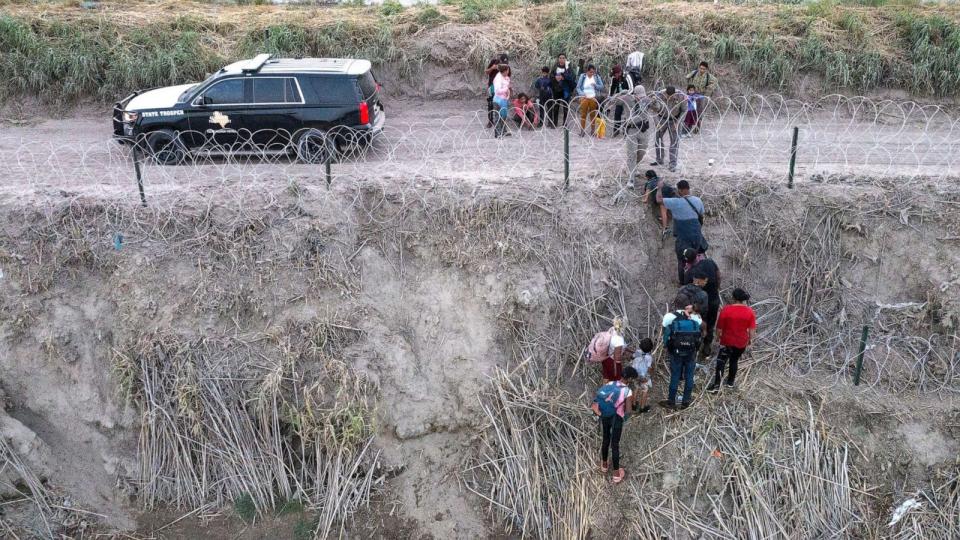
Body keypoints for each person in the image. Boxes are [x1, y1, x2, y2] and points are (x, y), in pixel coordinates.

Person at [592, 366, 638, 484]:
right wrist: (624, 419)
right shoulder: (628, 391)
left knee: (605, 439)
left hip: (605, 415)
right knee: (615, 444)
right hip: (616, 418)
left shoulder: (611, 383)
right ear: (630, 379)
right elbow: (628, 411)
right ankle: (616, 474)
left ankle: (604, 465)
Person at [657, 179, 707, 283]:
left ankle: (683, 283)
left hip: (683, 238)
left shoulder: (675, 202)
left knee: (682, 261)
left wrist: (659, 188)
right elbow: (701, 215)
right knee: (695, 258)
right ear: (689, 189)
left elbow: (659, 200)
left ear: (679, 190)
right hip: (696, 236)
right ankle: (697, 282)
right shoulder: (698, 200)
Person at [710, 288, 757, 392]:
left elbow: (719, 327)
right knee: (734, 361)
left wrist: (717, 337)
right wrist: (750, 340)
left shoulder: (726, 309)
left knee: (721, 362)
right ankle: (730, 383)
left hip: (727, 341)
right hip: (741, 342)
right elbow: (752, 330)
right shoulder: (750, 311)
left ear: (733, 298)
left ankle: (717, 385)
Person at [658, 302, 702, 410]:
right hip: (691, 353)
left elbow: (665, 335)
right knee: (689, 376)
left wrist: (668, 347)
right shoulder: (696, 319)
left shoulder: (670, 317)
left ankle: (671, 401)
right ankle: (685, 402)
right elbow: (699, 337)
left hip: (676, 353)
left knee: (675, 376)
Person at [683, 250, 721, 356]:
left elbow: (687, 291)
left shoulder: (689, 274)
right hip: (713, 300)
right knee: (710, 323)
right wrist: (716, 288)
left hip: (698, 305)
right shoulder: (709, 262)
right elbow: (718, 275)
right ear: (697, 256)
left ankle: (696, 344)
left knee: (699, 322)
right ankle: (707, 345)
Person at [649, 86, 686, 171]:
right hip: (662, 119)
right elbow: (654, 110)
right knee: (658, 139)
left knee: (674, 142)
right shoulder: (659, 95)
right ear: (665, 92)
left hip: (675, 120)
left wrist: (678, 122)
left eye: (671, 96)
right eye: (667, 96)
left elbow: (684, 110)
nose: (669, 98)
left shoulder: (681, 96)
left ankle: (673, 163)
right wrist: (657, 122)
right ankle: (659, 159)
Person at [623, 86, 651, 188]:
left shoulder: (647, 101)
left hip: (643, 130)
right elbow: (613, 101)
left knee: (642, 152)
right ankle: (631, 178)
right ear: (634, 95)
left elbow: (658, 109)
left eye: (642, 96)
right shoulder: (628, 100)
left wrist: (656, 101)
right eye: (639, 96)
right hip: (632, 130)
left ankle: (634, 167)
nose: (640, 98)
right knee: (632, 154)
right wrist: (622, 93)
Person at [685, 61, 718, 132]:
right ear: (699, 67)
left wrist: (707, 91)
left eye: (703, 69)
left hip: (701, 96)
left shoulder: (708, 76)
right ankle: (688, 128)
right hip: (693, 95)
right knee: (690, 111)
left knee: (699, 112)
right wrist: (689, 88)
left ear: (706, 69)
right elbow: (687, 77)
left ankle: (697, 128)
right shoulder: (694, 73)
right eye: (701, 68)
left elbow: (715, 82)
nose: (702, 70)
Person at [576, 64, 604, 137]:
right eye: (590, 72)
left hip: (593, 97)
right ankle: (582, 131)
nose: (592, 73)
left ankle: (592, 131)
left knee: (592, 115)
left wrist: (595, 85)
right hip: (584, 98)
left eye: (593, 72)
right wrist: (582, 94)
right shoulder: (583, 76)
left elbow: (601, 87)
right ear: (587, 71)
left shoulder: (596, 77)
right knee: (583, 114)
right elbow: (578, 87)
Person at [484, 53, 508, 128]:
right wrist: (492, 68)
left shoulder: (506, 67)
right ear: (499, 60)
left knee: (500, 104)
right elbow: (486, 72)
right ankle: (490, 121)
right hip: (492, 86)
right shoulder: (494, 62)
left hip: (501, 88)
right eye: (502, 63)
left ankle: (501, 122)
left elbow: (507, 77)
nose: (503, 65)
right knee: (491, 103)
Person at [631, 338, 654, 413]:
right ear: (650, 348)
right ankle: (642, 407)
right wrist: (650, 373)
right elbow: (649, 368)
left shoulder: (637, 352)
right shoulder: (649, 357)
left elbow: (632, 356)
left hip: (635, 374)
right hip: (643, 376)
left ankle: (633, 405)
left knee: (636, 388)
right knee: (645, 390)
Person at [601, 317, 627, 382]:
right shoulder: (619, 340)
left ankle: (604, 390)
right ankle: (614, 390)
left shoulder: (612, 329)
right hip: (612, 361)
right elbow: (617, 358)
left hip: (606, 357)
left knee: (606, 375)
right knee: (617, 379)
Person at [492, 64, 512, 138]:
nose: (509, 71)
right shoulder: (498, 78)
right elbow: (497, 91)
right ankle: (497, 133)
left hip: (504, 99)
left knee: (504, 116)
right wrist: (506, 89)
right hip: (498, 100)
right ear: (505, 70)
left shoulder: (505, 77)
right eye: (508, 70)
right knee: (498, 116)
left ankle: (503, 131)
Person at [609, 65, 629, 135]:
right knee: (617, 113)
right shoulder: (614, 78)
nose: (614, 76)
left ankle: (626, 131)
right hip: (619, 98)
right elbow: (612, 88)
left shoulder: (627, 77)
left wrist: (625, 94)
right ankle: (616, 130)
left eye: (615, 74)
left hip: (628, 98)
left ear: (620, 73)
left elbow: (632, 89)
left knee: (627, 115)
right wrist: (610, 97)